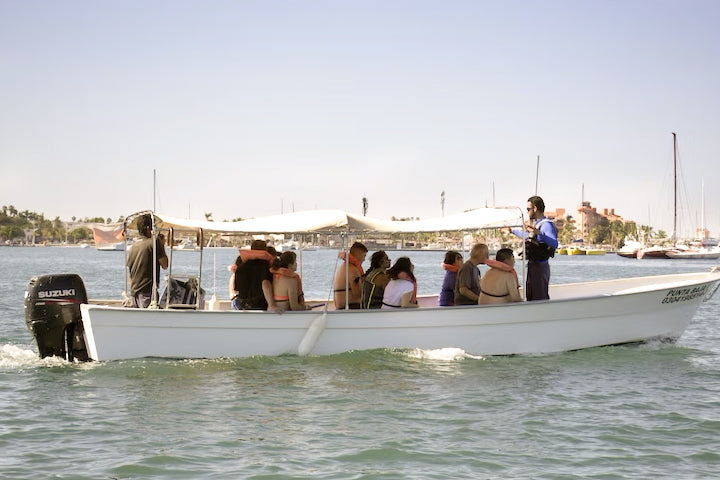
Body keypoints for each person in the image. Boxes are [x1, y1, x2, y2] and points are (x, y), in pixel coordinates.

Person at [508, 195, 558, 301]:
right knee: (531, 295)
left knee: (539, 296)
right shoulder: (537, 224)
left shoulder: (546, 225)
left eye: (528, 209)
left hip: (540, 267)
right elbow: (528, 236)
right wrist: (512, 231)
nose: (527, 212)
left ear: (535, 208)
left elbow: (554, 243)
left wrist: (539, 233)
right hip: (533, 265)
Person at [126, 213, 168, 308]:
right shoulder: (154, 242)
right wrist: (162, 245)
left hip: (134, 294)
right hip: (147, 293)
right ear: (149, 228)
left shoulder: (133, 246)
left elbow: (130, 275)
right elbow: (165, 264)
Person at [232, 240, 277, 311]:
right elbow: (265, 283)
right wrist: (272, 305)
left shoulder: (241, 267)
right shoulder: (265, 266)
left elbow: (237, 289)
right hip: (261, 305)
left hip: (243, 305)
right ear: (265, 250)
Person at [333, 241, 368, 309]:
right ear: (359, 254)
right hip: (350, 308)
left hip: (341, 307)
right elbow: (357, 294)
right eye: (364, 256)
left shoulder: (344, 266)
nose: (364, 259)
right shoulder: (353, 270)